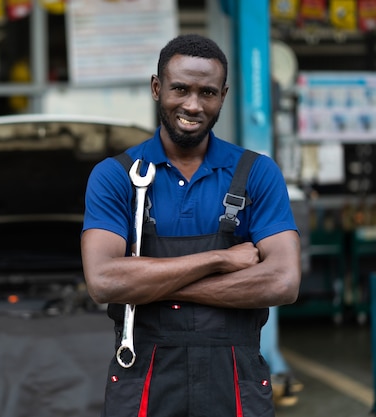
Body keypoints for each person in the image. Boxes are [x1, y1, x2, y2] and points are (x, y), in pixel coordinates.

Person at [81, 34, 301, 417]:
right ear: (156, 88)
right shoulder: (115, 176)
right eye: (180, 89)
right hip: (145, 376)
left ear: (223, 95)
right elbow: (104, 282)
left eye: (208, 92)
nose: (193, 105)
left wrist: (150, 284)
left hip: (234, 379)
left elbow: (282, 281)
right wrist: (218, 259)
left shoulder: (256, 174)